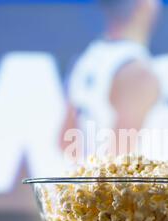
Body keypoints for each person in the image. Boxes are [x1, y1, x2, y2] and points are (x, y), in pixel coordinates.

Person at [60, 0, 162, 159]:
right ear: (144, 5)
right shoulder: (137, 73)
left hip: (89, 179)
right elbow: (120, 162)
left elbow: (65, 143)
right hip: (118, 183)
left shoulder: (85, 60)